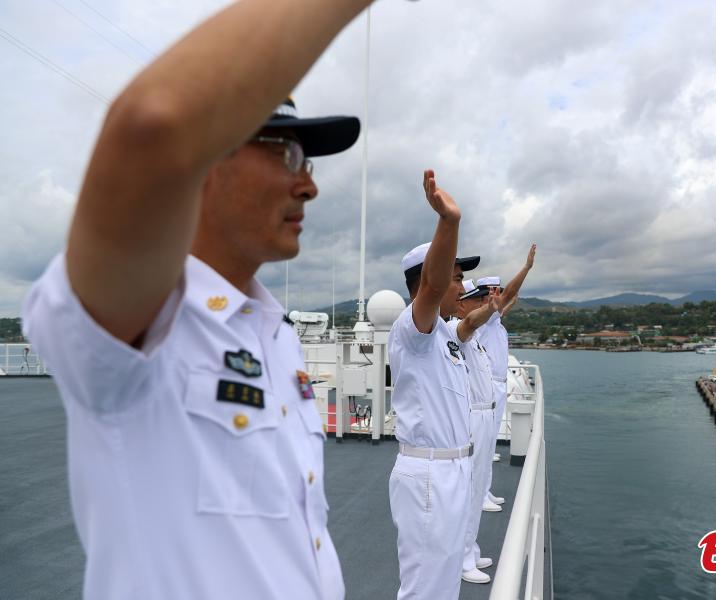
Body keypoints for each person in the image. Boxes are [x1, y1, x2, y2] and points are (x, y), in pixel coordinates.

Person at [21, 1, 378, 597]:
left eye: (307, 159)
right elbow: (152, 122)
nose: (309, 184)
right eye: (286, 152)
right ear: (207, 157)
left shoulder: (277, 337)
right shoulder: (140, 324)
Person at [387, 171, 480, 600]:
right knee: (425, 588)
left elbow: (467, 313)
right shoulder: (414, 330)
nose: (462, 286)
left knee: (444, 582)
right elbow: (434, 284)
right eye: (457, 276)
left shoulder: (445, 332)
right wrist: (450, 222)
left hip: (454, 470)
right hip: (429, 476)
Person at [476, 243, 537, 511]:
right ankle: (478, 495)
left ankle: (484, 491)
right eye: (496, 292)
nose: (500, 296)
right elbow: (509, 294)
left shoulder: (495, 320)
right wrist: (526, 268)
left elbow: (508, 303)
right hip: (489, 387)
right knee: (483, 445)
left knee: (489, 445)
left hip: (498, 388)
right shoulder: (486, 318)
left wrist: (511, 302)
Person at [452, 281, 502, 584]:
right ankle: (462, 558)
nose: (483, 303)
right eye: (478, 300)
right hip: (472, 419)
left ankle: (470, 549)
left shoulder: (477, 339)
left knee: (479, 484)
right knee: (469, 492)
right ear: (463, 304)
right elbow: (471, 322)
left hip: (485, 415)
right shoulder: (461, 332)